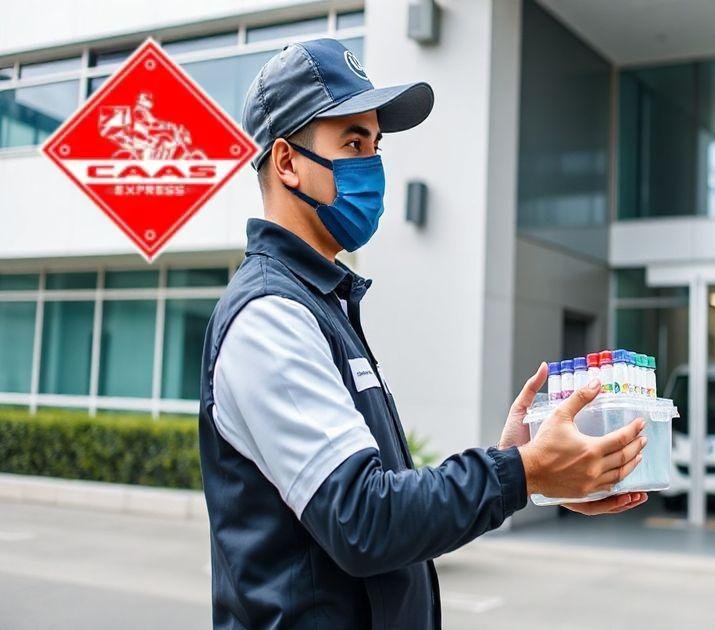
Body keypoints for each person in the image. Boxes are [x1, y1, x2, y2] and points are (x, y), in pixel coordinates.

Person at [198, 39, 649, 629]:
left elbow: (389, 505)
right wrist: (523, 473)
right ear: (285, 162)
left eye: (376, 145)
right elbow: (365, 521)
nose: (373, 165)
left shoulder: (319, 303)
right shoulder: (269, 317)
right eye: (353, 142)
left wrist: (517, 458)